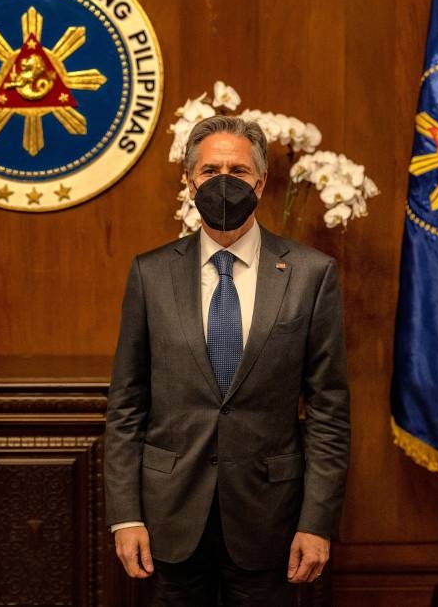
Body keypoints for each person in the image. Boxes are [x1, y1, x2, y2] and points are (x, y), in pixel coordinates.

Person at [104, 116, 350, 605]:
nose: (223, 182)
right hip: (169, 519)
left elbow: (329, 412)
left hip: (270, 521)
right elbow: (126, 405)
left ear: (260, 182)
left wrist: (317, 522)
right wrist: (125, 515)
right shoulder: (150, 273)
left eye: (237, 172)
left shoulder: (310, 274)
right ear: (190, 181)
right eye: (209, 170)